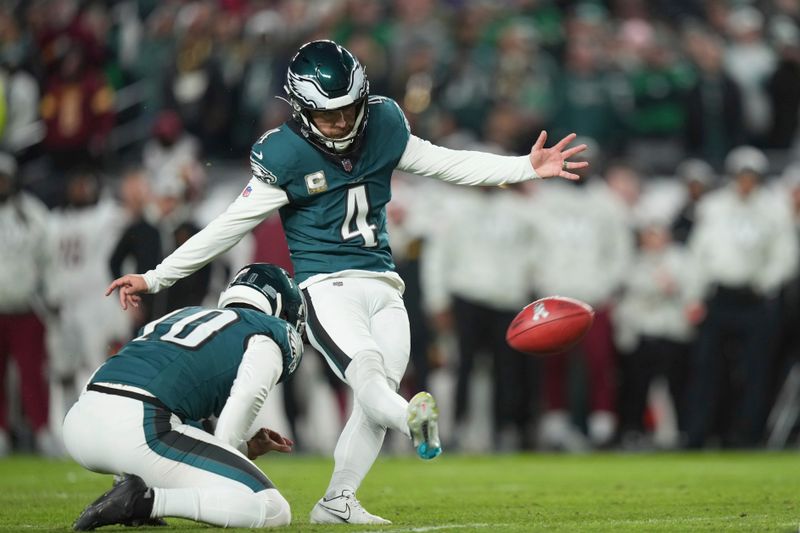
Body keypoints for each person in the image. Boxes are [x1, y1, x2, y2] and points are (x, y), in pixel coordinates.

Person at [105, 40, 588, 524]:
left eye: (348, 109)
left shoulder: (383, 123)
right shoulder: (284, 153)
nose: (340, 122)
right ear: (300, 107)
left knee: (378, 392)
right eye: (327, 114)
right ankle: (413, 421)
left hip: (384, 281)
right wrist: (155, 276)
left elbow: (448, 163)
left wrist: (525, 166)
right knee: (370, 375)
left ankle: (338, 500)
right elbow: (228, 226)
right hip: (325, 287)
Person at [64, 263, 305, 530]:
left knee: (172, 425)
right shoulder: (265, 336)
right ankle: (143, 500)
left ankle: (133, 484)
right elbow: (242, 403)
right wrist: (233, 451)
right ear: (281, 307)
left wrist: (246, 449)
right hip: (140, 426)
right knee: (272, 507)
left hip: (80, 422)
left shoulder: (180, 315)